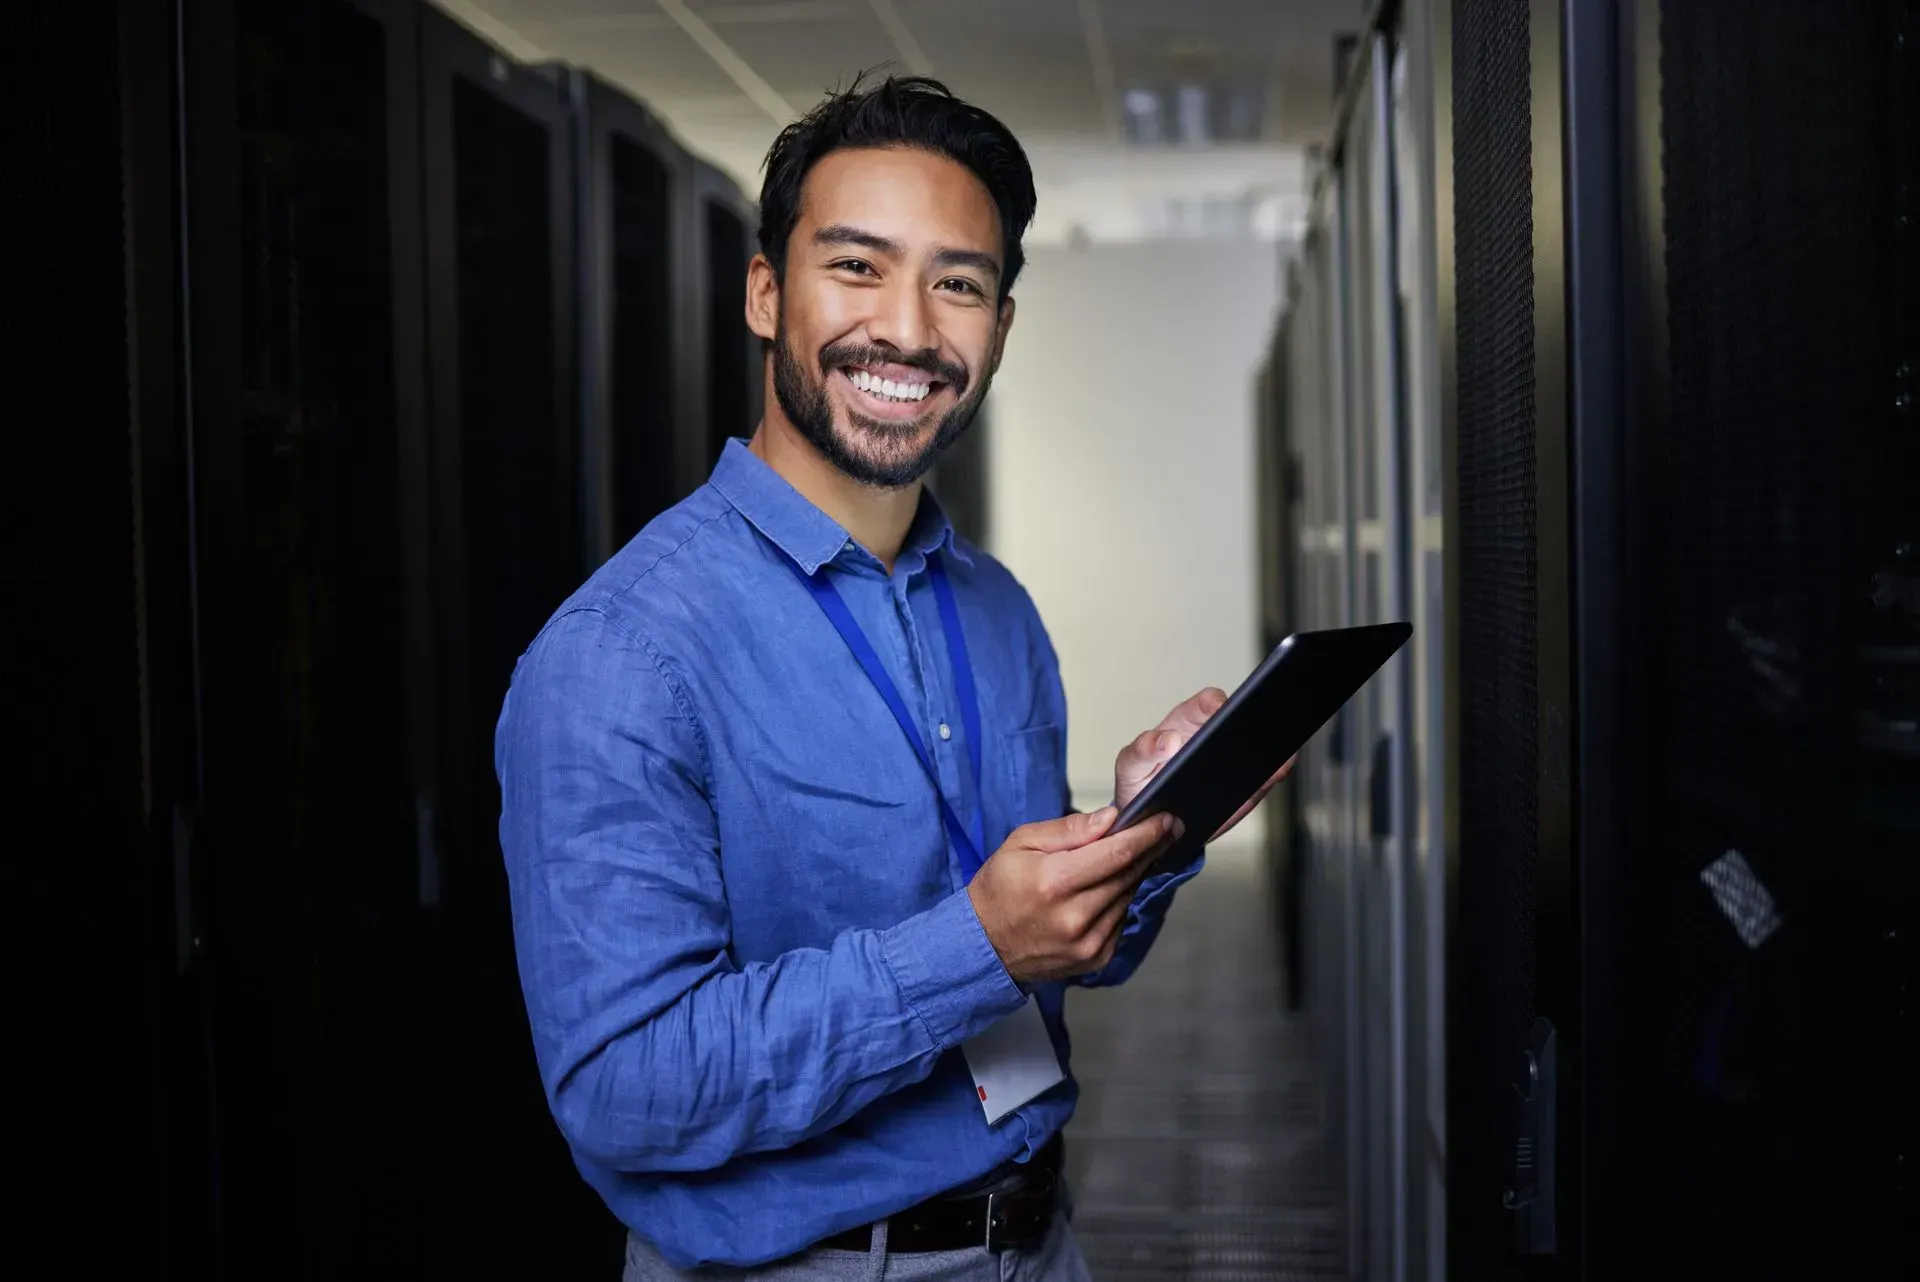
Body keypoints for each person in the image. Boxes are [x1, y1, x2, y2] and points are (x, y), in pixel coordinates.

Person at [495, 73, 1289, 1280]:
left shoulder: (998, 612)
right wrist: (978, 943)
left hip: (1037, 1243)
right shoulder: (621, 656)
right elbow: (625, 1089)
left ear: (1001, 328)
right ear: (767, 293)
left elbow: (1055, 951)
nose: (910, 330)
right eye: (857, 267)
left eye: (957, 283)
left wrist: (1144, 832)